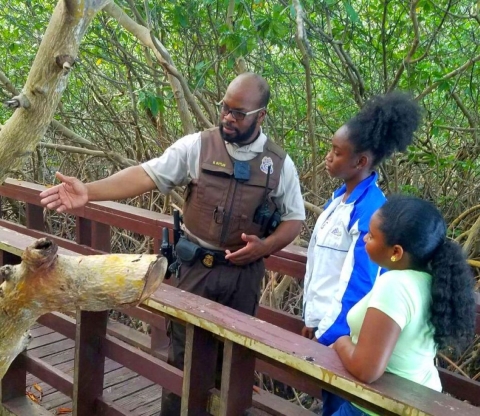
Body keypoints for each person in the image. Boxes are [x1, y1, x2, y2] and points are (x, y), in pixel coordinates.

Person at [39, 72, 305, 415]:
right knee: (183, 362)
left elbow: (294, 219)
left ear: (261, 116)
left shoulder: (278, 164)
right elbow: (146, 174)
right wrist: (90, 192)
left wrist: (265, 247)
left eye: (239, 113)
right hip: (196, 269)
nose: (227, 116)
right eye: (224, 107)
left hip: (243, 276)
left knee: (234, 366)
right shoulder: (198, 146)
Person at [301, 92, 421, 415]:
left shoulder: (370, 209)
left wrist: (331, 332)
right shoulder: (339, 199)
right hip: (326, 328)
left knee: (342, 404)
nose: (328, 157)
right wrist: (312, 318)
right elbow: (321, 265)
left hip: (345, 339)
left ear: (361, 162)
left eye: (337, 153)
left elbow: (360, 279)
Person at [332, 195, 476, 416]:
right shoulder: (431, 280)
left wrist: (340, 341)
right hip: (416, 401)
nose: (364, 239)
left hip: (377, 407)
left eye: (371, 236)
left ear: (396, 252)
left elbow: (366, 370)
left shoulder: (395, 284)